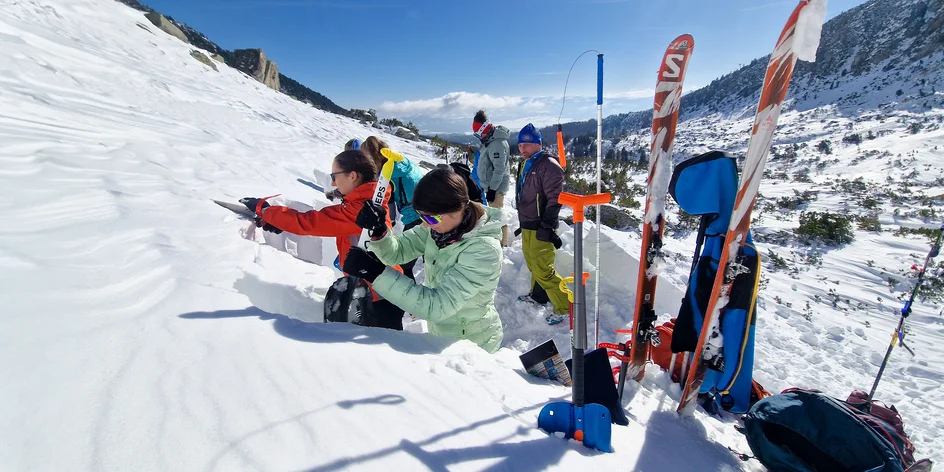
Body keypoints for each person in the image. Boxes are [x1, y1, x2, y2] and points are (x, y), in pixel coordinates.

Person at [342, 165, 505, 353]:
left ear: (456, 209)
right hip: (442, 336)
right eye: (422, 217)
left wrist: (375, 273)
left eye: (431, 219)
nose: (426, 225)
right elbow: (398, 252)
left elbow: (437, 306)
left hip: (472, 346)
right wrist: (379, 233)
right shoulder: (438, 228)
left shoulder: (483, 249)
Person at [242, 149, 405, 330]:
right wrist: (279, 222)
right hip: (379, 290)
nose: (333, 182)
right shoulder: (363, 203)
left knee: (379, 355)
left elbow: (311, 222)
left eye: (334, 176)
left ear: (352, 176)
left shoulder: (362, 209)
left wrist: (266, 211)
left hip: (380, 295)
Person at [514, 123, 569, 325]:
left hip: (540, 226)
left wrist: (547, 227)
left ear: (538, 144)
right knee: (533, 264)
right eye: (520, 145)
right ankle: (539, 296)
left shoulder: (549, 166)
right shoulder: (527, 163)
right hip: (528, 223)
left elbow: (556, 200)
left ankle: (564, 306)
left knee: (543, 268)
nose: (522, 149)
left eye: (526, 145)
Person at [358, 136, 424, 281]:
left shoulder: (388, 175)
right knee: (431, 254)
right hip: (428, 209)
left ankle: (407, 297)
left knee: (405, 263)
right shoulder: (400, 162)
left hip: (415, 215)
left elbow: (390, 212)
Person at [472, 110, 511, 247]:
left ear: (485, 129)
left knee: (497, 215)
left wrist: (493, 189)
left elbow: (499, 169)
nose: (479, 137)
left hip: (496, 187)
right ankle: (498, 238)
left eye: (479, 133)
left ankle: (503, 243)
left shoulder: (497, 144)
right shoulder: (490, 140)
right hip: (491, 186)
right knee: (494, 213)